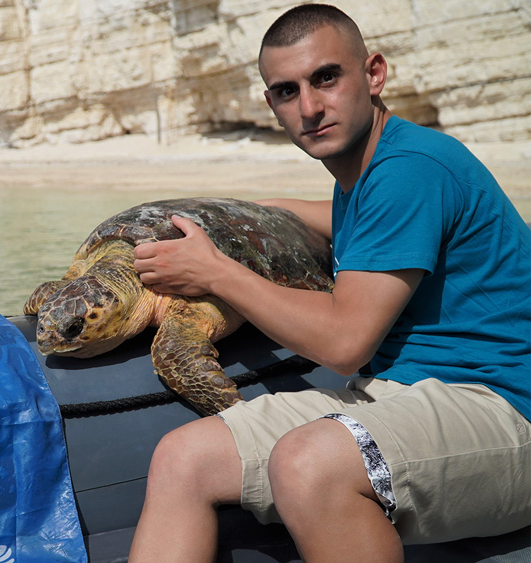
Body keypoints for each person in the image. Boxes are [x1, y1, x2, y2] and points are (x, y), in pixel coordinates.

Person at [127, 4, 531, 562]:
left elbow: (345, 345)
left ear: (374, 74)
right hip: (402, 393)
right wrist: (257, 212)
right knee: (182, 458)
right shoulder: (366, 174)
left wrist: (216, 270)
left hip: (502, 406)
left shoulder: (410, 168)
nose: (311, 107)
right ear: (272, 106)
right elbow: (354, 223)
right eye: (287, 92)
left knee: (308, 462)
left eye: (326, 78)